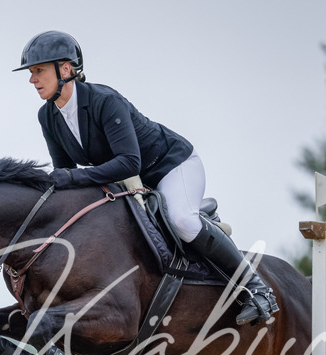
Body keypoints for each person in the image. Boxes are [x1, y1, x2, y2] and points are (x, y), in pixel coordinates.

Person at [14, 30, 278, 326]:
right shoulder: (47, 116)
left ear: (65, 69)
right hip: (130, 181)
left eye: (38, 70)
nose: (32, 79)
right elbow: (66, 172)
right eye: (31, 72)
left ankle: (257, 288)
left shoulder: (104, 100)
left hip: (170, 166)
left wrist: (72, 179)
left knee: (182, 220)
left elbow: (128, 162)